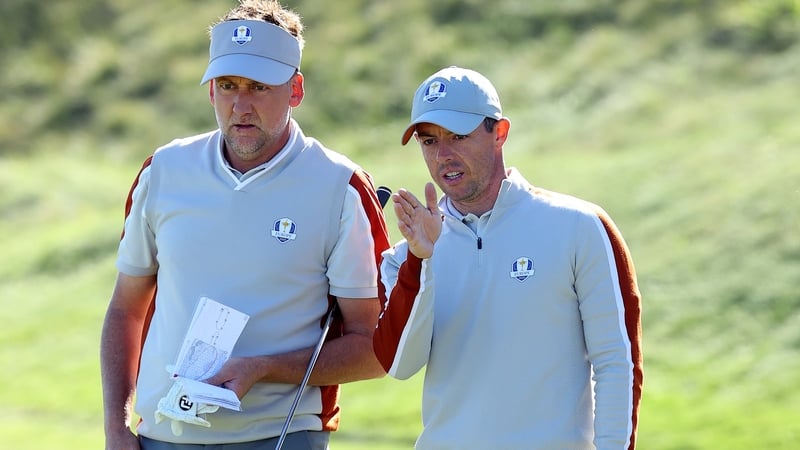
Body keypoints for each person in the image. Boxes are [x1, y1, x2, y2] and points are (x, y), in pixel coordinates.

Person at [100, 1, 391, 449]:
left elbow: (374, 347)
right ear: (210, 90)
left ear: (295, 90)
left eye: (259, 87)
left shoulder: (341, 188)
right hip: (161, 435)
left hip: (280, 435)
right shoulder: (164, 170)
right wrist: (117, 428)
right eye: (228, 85)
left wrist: (265, 367)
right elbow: (126, 308)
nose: (240, 105)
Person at [372, 66, 643, 450]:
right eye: (429, 141)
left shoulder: (579, 226)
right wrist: (421, 261)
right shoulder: (406, 258)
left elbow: (616, 361)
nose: (444, 155)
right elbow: (398, 364)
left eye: (458, 136)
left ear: (499, 133)